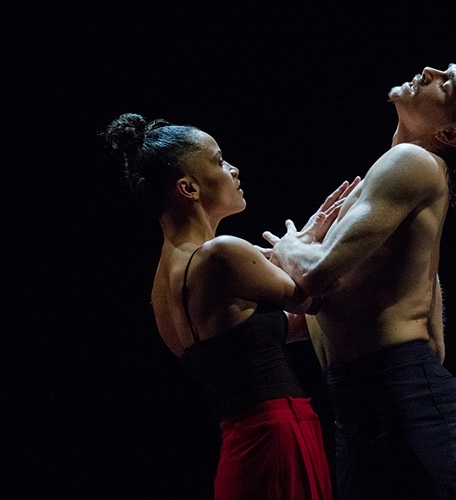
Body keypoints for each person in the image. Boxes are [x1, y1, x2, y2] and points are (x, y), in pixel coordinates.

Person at [263, 57, 456, 499]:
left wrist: (290, 248)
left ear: (451, 134)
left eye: (447, 85)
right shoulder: (401, 178)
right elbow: (341, 303)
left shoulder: (411, 160)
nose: (431, 71)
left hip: (403, 403)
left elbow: (317, 274)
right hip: (372, 406)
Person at [103, 113, 352, 500]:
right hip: (277, 438)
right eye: (219, 161)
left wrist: (299, 247)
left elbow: (273, 334)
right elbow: (314, 297)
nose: (233, 169)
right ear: (188, 188)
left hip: (243, 443)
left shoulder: (162, 287)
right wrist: (308, 246)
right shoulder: (221, 254)